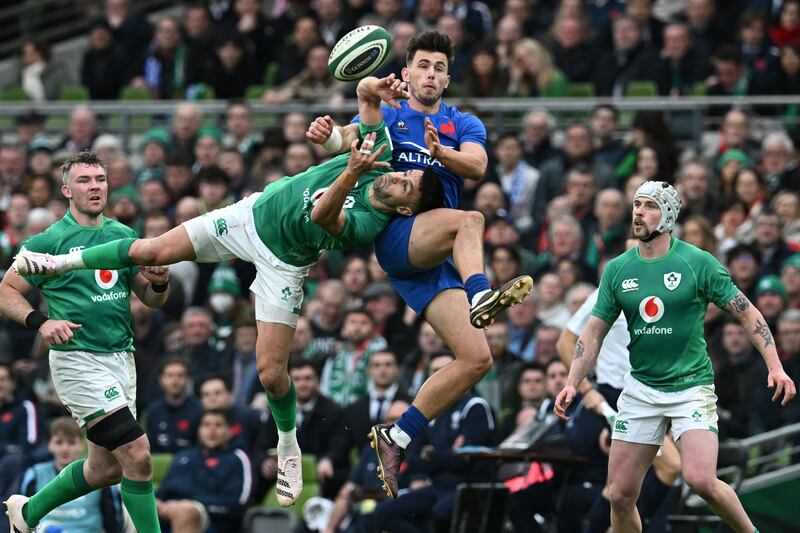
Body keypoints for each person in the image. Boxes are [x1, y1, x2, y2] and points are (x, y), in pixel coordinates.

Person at [14, 74, 437, 508]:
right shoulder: (380, 153)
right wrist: (378, 85)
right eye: (405, 173)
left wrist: (350, 172)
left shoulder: (370, 221)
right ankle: (60, 261)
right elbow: (366, 95)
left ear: (404, 208)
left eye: (406, 184)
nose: (397, 176)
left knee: (272, 375)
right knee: (155, 248)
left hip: (286, 264)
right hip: (249, 217)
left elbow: (324, 214)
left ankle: (288, 443)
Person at [306, 30, 533, 499]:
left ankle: (398, 435)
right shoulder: (389, 112)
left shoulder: (462, 122)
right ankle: (481, 294)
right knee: (471, 218)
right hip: (399, 235)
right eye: (423, 66)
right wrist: (329, 137)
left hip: (440, 255)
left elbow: (476, 166)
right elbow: (350, 140)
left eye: (439, 68)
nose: (430, 74)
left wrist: (440, 153)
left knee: (477, 359)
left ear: (448, 79)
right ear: (406, 73)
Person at [555, 180, 797, 533]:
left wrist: (775, 366)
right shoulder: (618, 269)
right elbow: (592, 334)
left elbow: (748, 313)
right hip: (640, 390)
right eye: (636, 204)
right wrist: (572, 382)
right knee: (620, 495)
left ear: (667, 214)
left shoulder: (697, 262)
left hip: (689, 387)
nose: (638, 211)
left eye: (649, 205)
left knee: (700, 479)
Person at [0, 151, 171, 533]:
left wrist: (159, 280)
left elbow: (152, 298)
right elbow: (5, 291)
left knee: (106, 469)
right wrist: (40, 322)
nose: (95, 187)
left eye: (100, 179)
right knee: (138, 454)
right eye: (84, 181)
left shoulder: (123, 236)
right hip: (77, 360)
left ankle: (26, 514)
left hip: (121, 359)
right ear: (66, 190)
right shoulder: (48, 241)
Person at [20, 417, 125, 532]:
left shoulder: (101, 476)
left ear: (82, 445)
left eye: (71, 442)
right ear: (49, 445)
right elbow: (22, 518)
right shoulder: (35, 474)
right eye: (59, 442)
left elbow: (114, 522)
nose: (65, 449)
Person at [156, 409, 251, 533]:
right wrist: (158, 504)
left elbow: (236, 504)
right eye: (206, 425)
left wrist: (190, 502)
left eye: (218, 425)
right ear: (199, 430)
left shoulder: (236, 458)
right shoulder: (184, 456)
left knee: (185, 511)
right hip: (169, 515)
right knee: (142, 506)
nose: (212, 430)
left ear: (229, 431)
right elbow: (164, 490)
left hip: (213, 521)